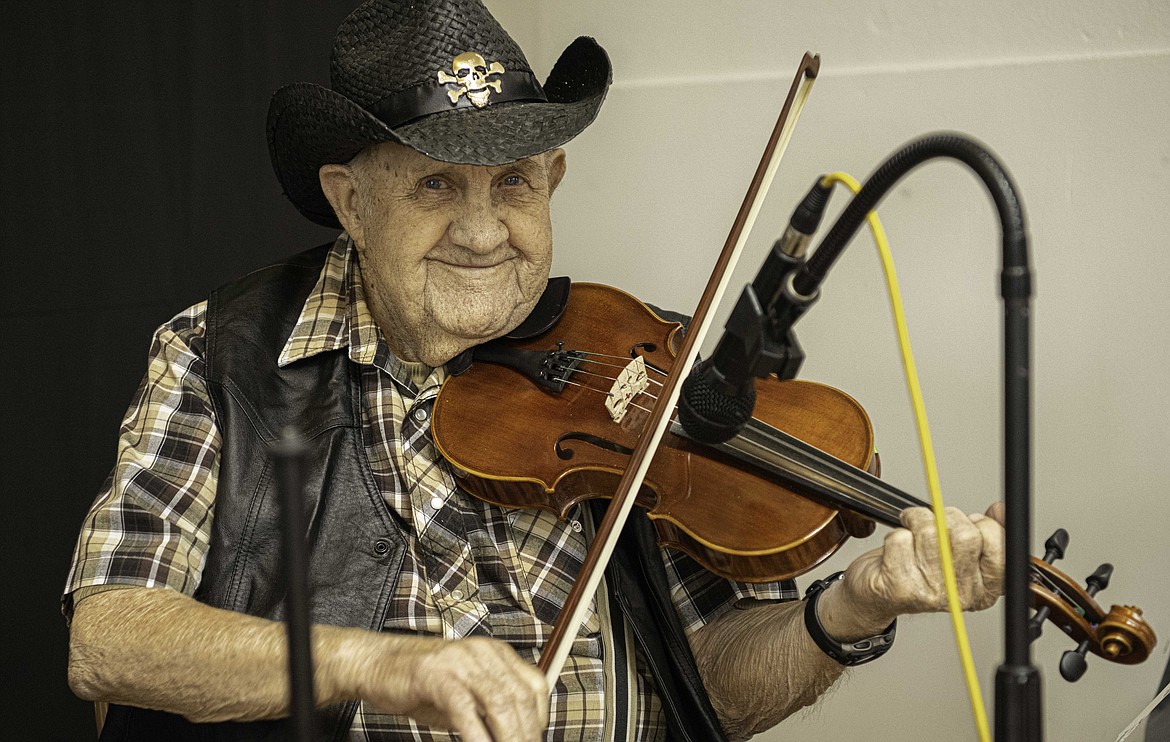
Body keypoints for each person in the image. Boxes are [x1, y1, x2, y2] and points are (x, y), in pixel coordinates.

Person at [63, 1, 1006, 740]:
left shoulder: (644, 360)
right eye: (436, 184)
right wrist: (379, 665)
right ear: (350, 203)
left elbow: (713, 689)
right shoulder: (223, 352)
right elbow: (112, 641)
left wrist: (854, 606)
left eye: (512, 181)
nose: (482, 232)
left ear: (551, 179)